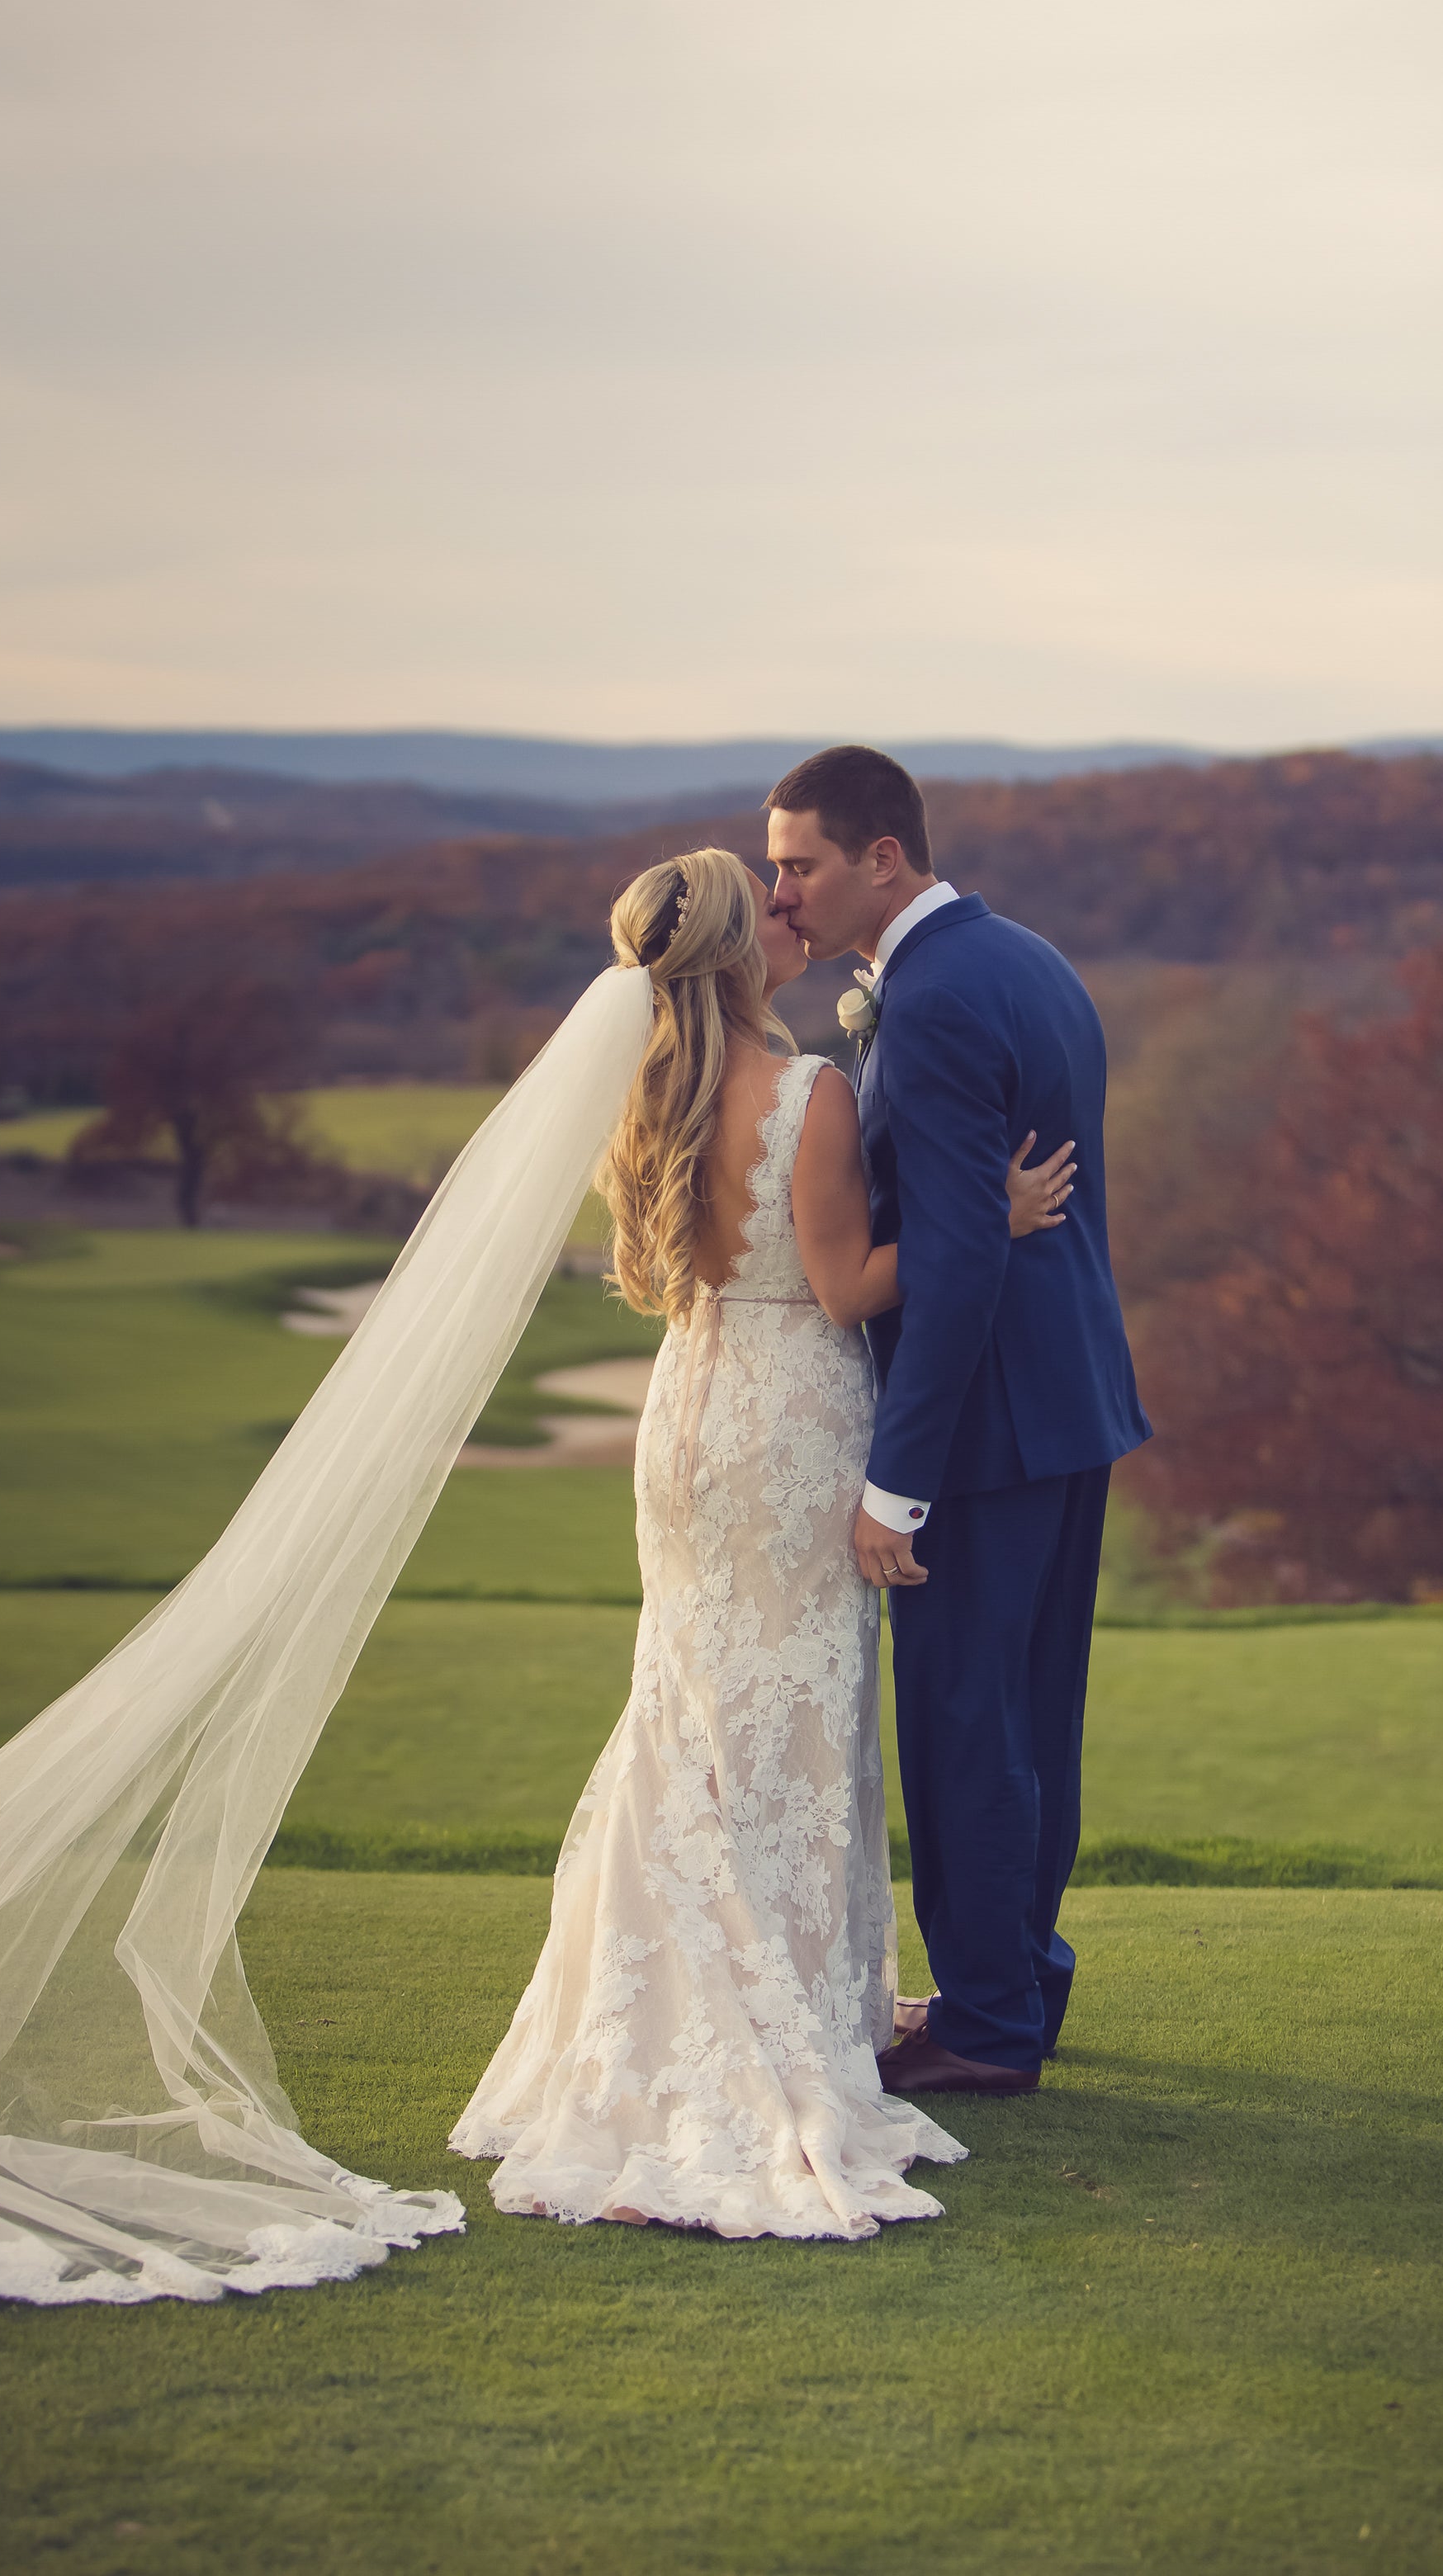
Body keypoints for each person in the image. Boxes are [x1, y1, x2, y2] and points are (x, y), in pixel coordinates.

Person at [450, 847, 1074, 2237]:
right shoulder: (810, 1090)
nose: (793, 914)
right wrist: (995, 1220)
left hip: (688, 1413)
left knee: (691, 1702)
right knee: (794, 1707)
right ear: (742, 956)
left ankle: (687, 2003)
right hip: (791, 1415)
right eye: (773, 904)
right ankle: (779, 2017)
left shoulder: (647, 1087)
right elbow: (847, 1282)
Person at [765, 747, 1151, 2098]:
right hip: (1068, 1406)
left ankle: (984, 2027)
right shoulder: (1024, 957)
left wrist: (896, 1484)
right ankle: (1021, 1986)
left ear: (882, 856)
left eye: (801, 863)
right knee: (1032, 1720)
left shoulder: (923, 1003)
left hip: (982, 1428)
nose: (784, 891)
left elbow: (962, 1261)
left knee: (961, 1727)